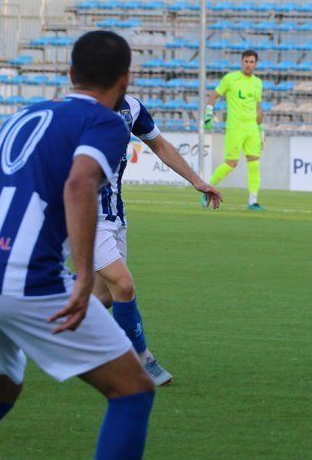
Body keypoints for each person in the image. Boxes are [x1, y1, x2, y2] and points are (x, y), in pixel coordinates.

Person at [0, 30, 155, 460]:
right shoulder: (106, 123)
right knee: (133, 390)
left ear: (70, 73)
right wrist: (83, 277)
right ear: (126, 80)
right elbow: (80, 182)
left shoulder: (22, 116)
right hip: (26, 280)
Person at [91, 94, 223, 386]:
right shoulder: (76, 111)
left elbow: (159, 144)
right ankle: (142, 360)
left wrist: (196, 180)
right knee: (123, 285)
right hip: (85, 216)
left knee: (103, 297)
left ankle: (29, 322)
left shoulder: (131, 107)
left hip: (114, 215)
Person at [203, 49, 266, 210]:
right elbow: (214, 96)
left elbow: (258, 107)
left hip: (252, 129)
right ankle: (207, 189)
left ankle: (253, 201)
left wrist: (261, 129)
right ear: (241, 62)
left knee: (254, 164)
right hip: (235, 128)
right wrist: (209, 113)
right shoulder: (230, 79)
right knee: (231, 163)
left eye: (252, 62)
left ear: (256, 64)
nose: (249, 65)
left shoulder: (258, 83)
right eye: (246, 61)